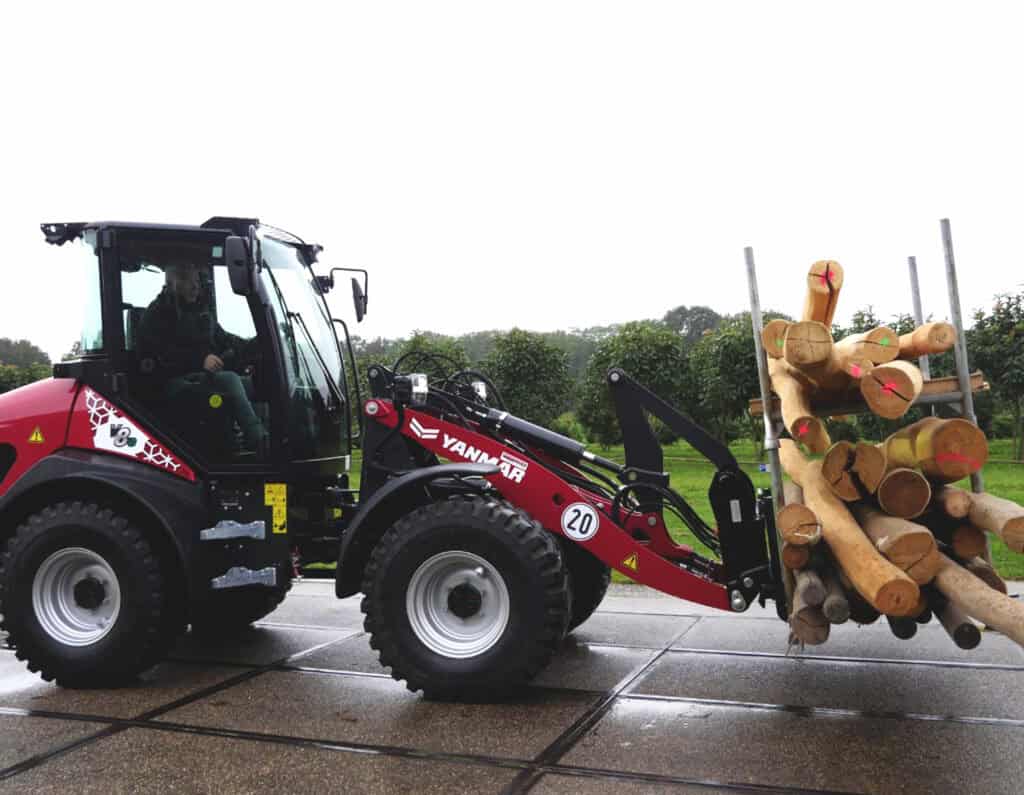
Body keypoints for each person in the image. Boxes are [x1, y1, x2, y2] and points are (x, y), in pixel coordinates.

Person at [137, 262, 267, 453]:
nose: (195, 286)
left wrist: (258, 343)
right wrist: (200, 360)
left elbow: (226, 340)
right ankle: (260, 441)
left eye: (197, 280)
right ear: (173, 282)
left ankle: (273, 442)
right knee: (230, 381)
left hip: (202, 379)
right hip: (172, 384)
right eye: (188, 280)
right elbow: (160, 356)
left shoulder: (201, 312)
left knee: (258, 382)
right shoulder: (156, 314)